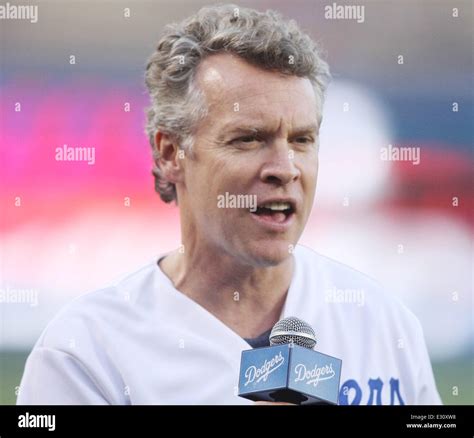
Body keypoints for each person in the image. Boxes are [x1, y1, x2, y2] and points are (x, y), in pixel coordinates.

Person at [17, 4, 441, 405]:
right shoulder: (84, 355)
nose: (285, 168)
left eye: (301, 140)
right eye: (249, 139)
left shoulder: (384, 325)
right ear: (170, 154)